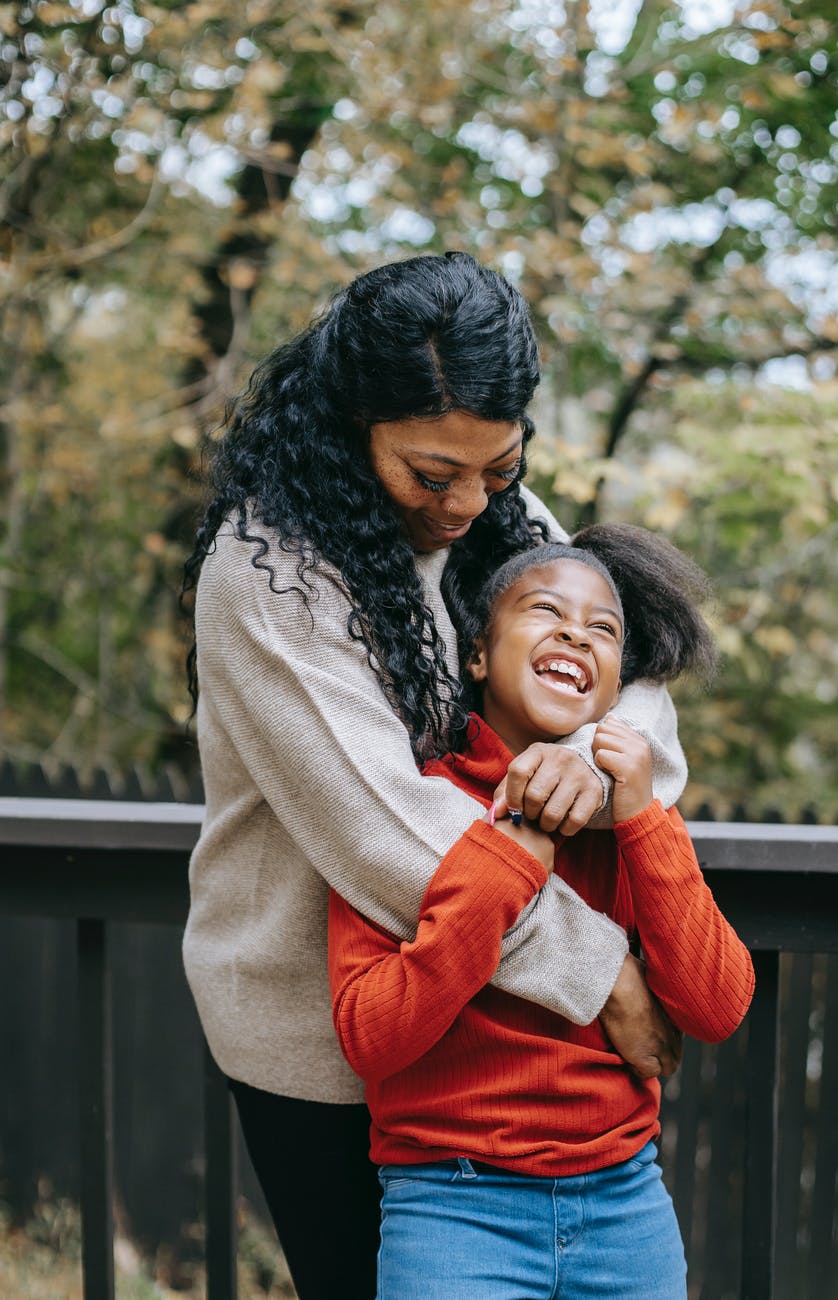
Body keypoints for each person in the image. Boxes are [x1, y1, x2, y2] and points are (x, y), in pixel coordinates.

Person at [182, 253, 687, 1299]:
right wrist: (605, 974)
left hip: (499, 1035)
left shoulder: (502, 511)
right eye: (430, 475)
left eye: (498, 467)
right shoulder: (267, 572)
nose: (466, 504)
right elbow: (390, 833)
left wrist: (588, 774)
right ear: (348, 425)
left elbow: (632, 690)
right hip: (330, 1049)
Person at [329, 526, 756, 1299]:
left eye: (604, 629)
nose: (575, 632)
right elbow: (371, 1036)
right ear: (477, 655)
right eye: (544, 610)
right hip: (454, 1210)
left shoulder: (634, 815)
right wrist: (508, 863)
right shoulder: (411, 805)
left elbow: (717, 1007)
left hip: (626, 1204)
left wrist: (643, 819)